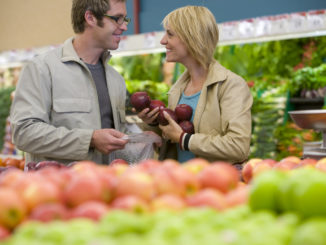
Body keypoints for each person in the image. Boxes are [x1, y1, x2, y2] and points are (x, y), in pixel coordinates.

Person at [10, 0, 135, 165]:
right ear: (90, 18)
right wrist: (89, 139)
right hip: (57, 187)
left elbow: (116, 137)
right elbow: (24, 133)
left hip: (105, 187)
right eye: (117, 18)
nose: (124, 26)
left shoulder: (116, 80)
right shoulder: (42, 69)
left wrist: (145, 136)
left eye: (125, 19)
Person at [137, 6, 253, 164]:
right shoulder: (177, 90)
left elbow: (239, 147)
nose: (163, 40)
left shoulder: (231, 85)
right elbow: (170, 146)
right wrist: (152, 124)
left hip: (216, 182)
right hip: (181, 181)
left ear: (191, 37)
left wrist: (184, 139)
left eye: (170, 34)